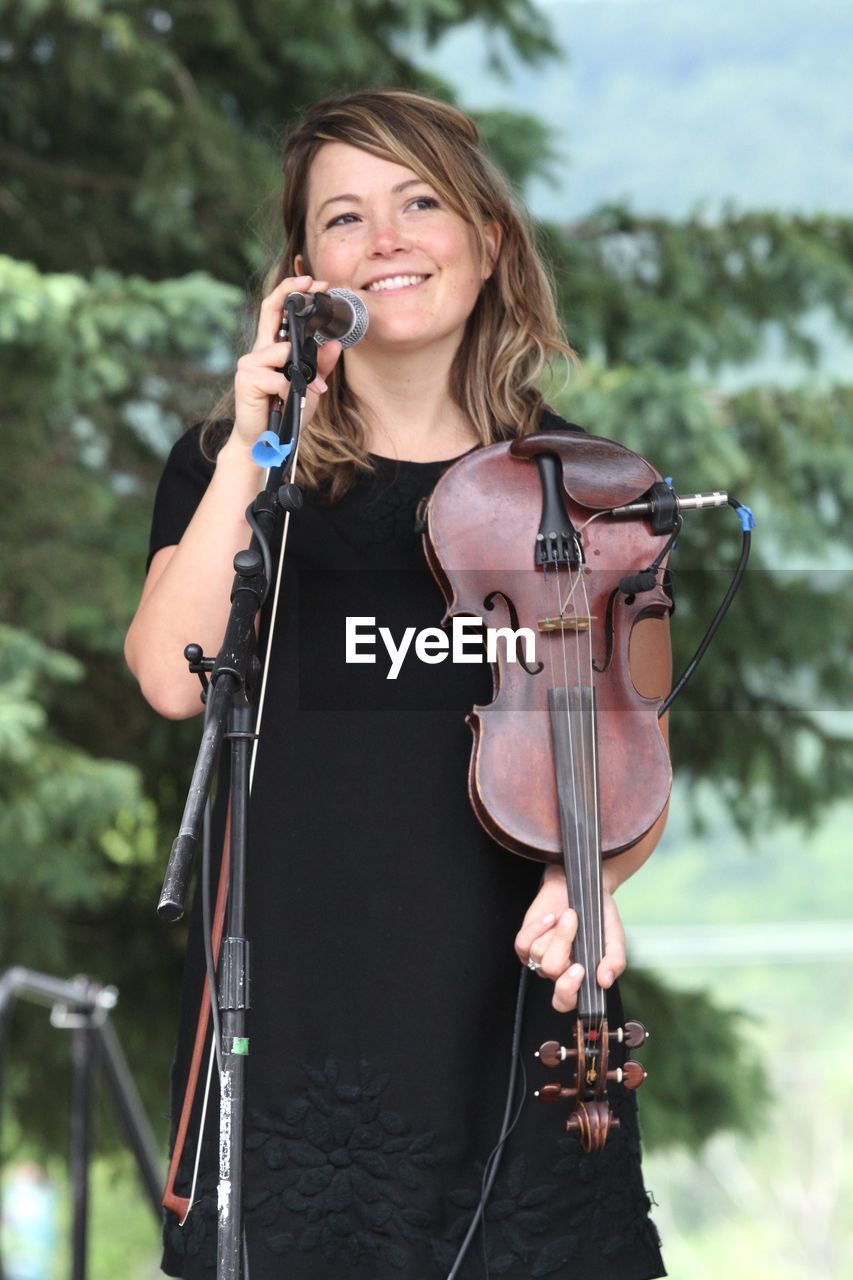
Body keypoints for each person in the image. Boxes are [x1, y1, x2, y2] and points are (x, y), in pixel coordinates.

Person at [125, 89, 669, 1280]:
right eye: (345, 216)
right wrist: (259, 435)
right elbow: (173, 678)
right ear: (306, 268)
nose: (387, 238)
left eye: (420, 202)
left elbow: (630, 767)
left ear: (486, 240)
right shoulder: (239, 469)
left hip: (511, 1020)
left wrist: (595, 882)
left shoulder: (588, 492)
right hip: (296, 1029)